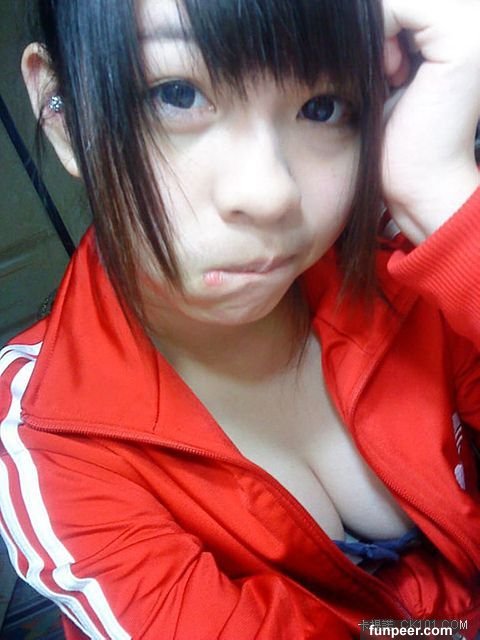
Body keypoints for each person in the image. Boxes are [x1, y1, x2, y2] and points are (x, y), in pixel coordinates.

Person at [0, 0, 479, 638]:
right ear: (62, 112)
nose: (272, 192)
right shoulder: (49, 434)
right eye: (176, 93)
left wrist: (444, 199)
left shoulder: (405, 248)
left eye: (323, 106)